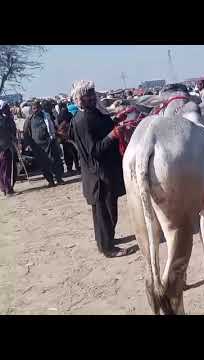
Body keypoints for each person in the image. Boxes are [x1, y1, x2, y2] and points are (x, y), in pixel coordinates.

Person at [70, 80, 136, 258]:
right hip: (98, 175)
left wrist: (117, 119)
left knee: (107, 210)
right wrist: (113, 135)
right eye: (87, 95)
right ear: (79, 99)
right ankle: (108, 248)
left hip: (105, 171)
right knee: (104, 213)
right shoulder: (83, 119)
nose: (92, 97)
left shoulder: (93, 113)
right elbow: (94, 151)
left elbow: (103, 125)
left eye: (93, 94)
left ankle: (106, 241)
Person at [23, 100, 65, 187]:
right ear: (32, 109)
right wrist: (29, 145)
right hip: (38, 147)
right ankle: (50, 181)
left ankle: (59, 178)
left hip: (50, 143)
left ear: (41, 108)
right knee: (44, 164)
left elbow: (53, 127)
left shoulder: (46, 116)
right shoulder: (29, 120)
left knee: (55, 161)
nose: (36, 110)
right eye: (34, 108)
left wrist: (57, 135)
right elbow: (26, 133)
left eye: (37, 108)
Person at [57, 102, 80, 174]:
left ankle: (69, 168)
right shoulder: (68, 114)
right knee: (74, 152)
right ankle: (77, 167)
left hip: (63, 138)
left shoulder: (59, 115)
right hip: (70, 136)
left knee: (67, 153)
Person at [0, 101, 17, 197]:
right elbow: (10, 132)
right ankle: (7, 188)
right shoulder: (5, 120)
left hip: (6, 147)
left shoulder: (6, 119)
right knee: (6, 169)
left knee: (4, 169)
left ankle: (5, 187)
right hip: (5, 148)